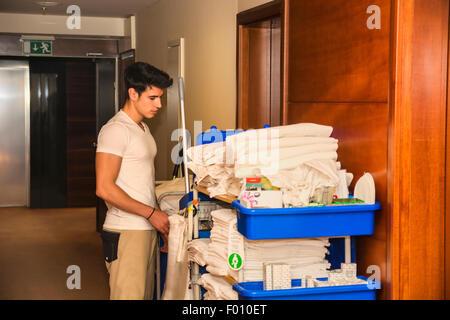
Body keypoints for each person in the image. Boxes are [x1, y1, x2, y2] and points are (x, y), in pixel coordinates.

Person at [95, 62, 173, 300]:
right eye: (152, 98)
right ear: (132, 93)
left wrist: (160, 223)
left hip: (145, 228)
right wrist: (151, 214)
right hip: (126, 231)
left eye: (160, 97)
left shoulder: (143, 130)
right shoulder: (115, 130)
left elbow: (142, 185)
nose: (158, 104)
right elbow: (104, 188)